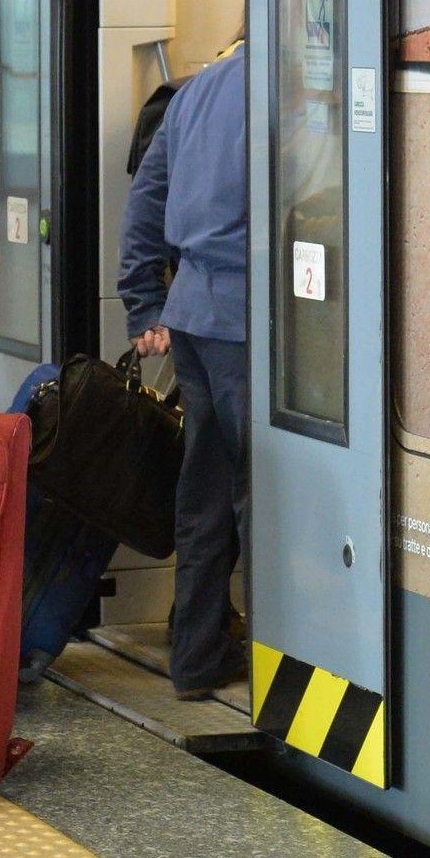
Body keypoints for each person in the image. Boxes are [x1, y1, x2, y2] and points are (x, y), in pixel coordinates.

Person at [118, 40, 249, 702]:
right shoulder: (293, 87)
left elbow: (146, 200)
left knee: (207, 489)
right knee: (262, 500)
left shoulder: (196, 90)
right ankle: (283, 662)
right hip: (252, 325)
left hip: (194, 318)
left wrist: (144, 300)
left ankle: (197, 657)